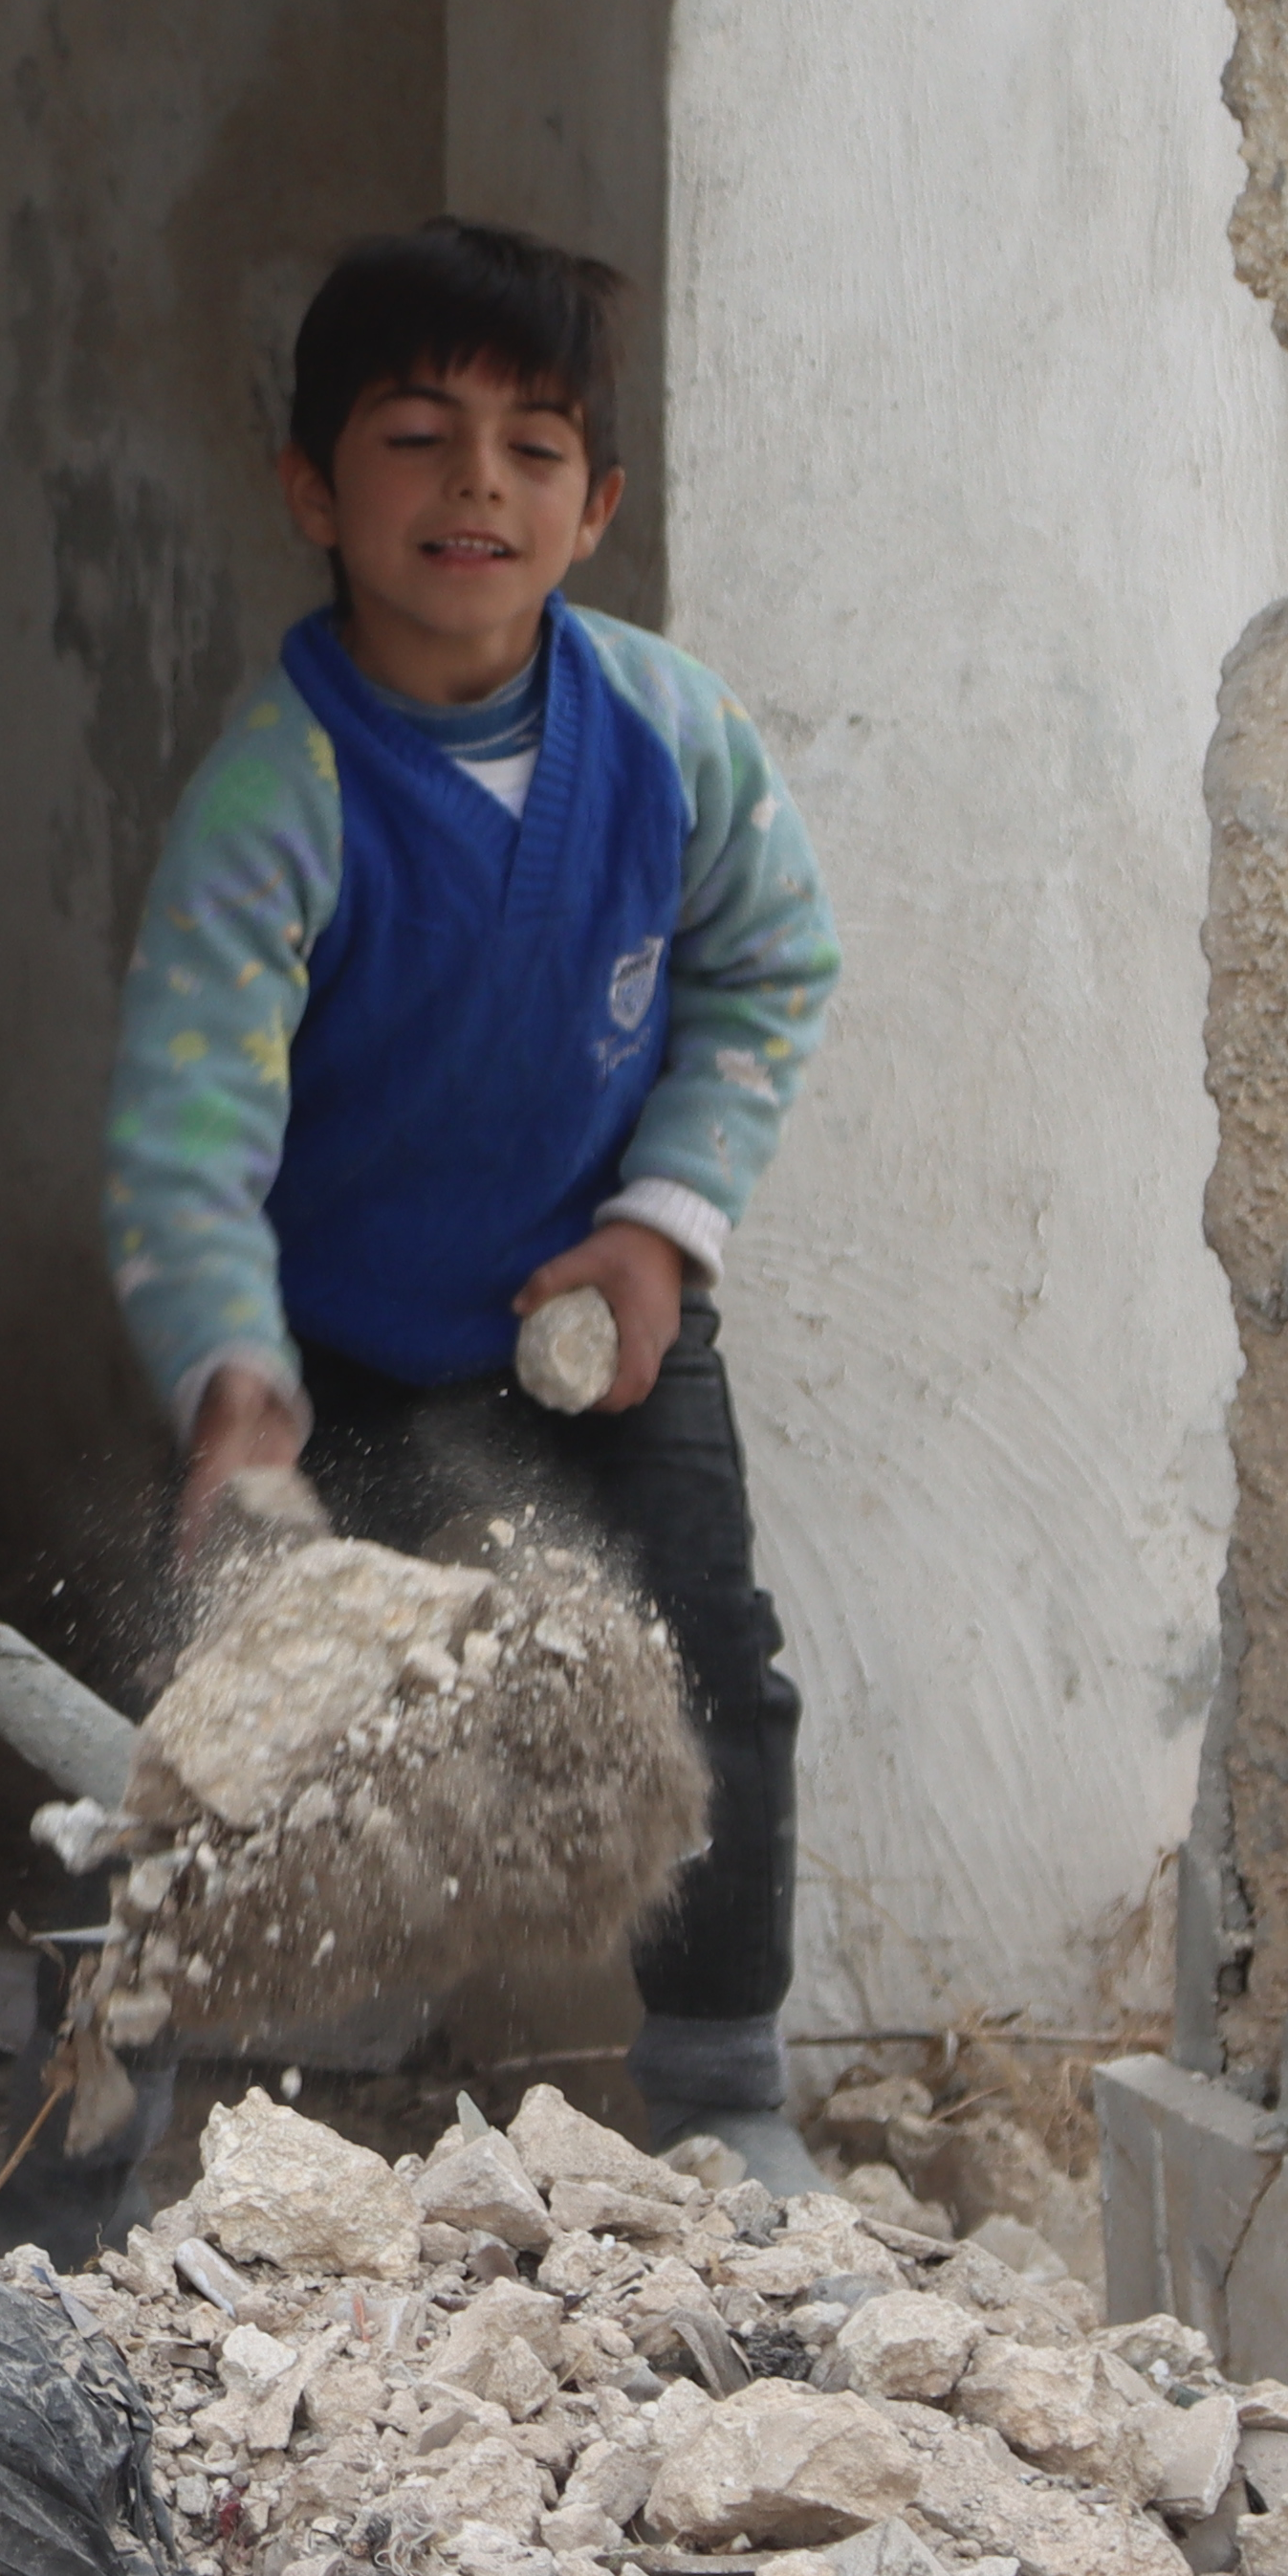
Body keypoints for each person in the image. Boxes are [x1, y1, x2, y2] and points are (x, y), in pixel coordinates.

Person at [97, 220, 848, 2191]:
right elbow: (188, 1126)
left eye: (531, 447)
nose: (475, 487)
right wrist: (234, 1384)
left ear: (595, 506)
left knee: (710, 1671)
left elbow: (771, 969)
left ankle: (722, 2090)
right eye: (417, 437)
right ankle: (107, 2103)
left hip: (602, 1326)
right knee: (243, 1726)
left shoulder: (675, 738)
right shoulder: (281, 795)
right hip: (332, 1342)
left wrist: (667, 1223)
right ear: (311, 491)